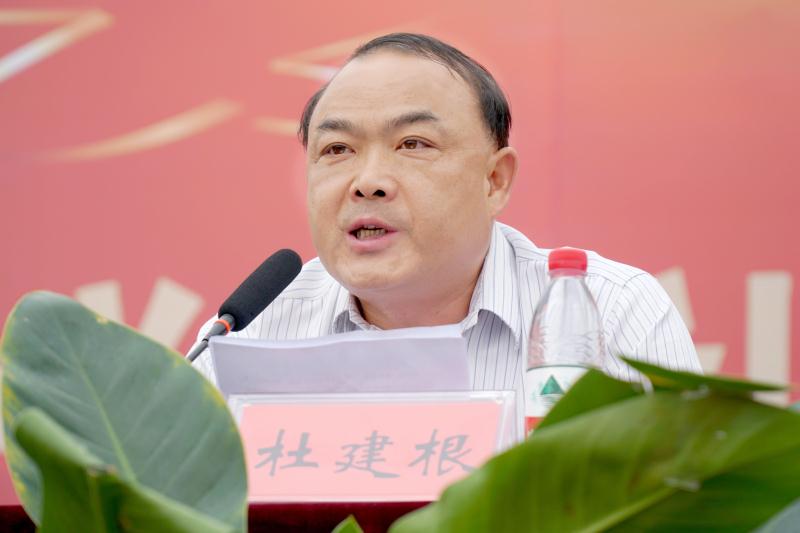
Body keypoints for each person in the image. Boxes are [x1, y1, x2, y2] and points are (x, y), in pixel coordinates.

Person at [192, 33, 701, 395]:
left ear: (494, 180)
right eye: (338, 149)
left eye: (413, 144)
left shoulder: (610, 312)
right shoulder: (250, 332)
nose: (368, 181)